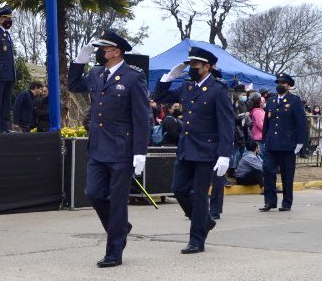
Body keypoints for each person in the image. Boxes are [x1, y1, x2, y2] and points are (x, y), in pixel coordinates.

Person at [69, 31, 150, 267]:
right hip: (98, 146)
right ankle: (121, 228)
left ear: (116, 51)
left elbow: (141, 117)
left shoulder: (134, 77)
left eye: (104, 49)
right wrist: (79, 62)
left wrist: (140, 152)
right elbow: (74, 84)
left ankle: (114, 252)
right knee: (93, 193)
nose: (100, 53)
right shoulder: (96, 73)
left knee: (117, 200)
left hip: (121, 149)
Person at [153, 46, 234, 254]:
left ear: (207, 67)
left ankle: (197, 239)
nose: (191, 68)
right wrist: (168, 78)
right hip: (186, 148)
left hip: (207, 151)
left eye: (195, 65)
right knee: (179, 189)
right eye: (189, 64)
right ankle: (204, 220)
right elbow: (160, 97)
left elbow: (226, 124)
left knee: (199, 196)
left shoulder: (218, 89)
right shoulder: (188, 87)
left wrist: (225, 154)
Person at [260, 73, 308, 212]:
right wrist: (264, 139)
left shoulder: (294, 100)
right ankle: (270, 202)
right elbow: (267, 123)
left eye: (283, 83)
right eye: (278, 82)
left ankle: (286, 202)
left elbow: (301, 123)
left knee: (287, 174)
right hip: (272, 143)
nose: (280, 85)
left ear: (289, 86)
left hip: (288, 144)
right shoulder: (271, 100)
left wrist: (300, 142)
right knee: (268, 171)